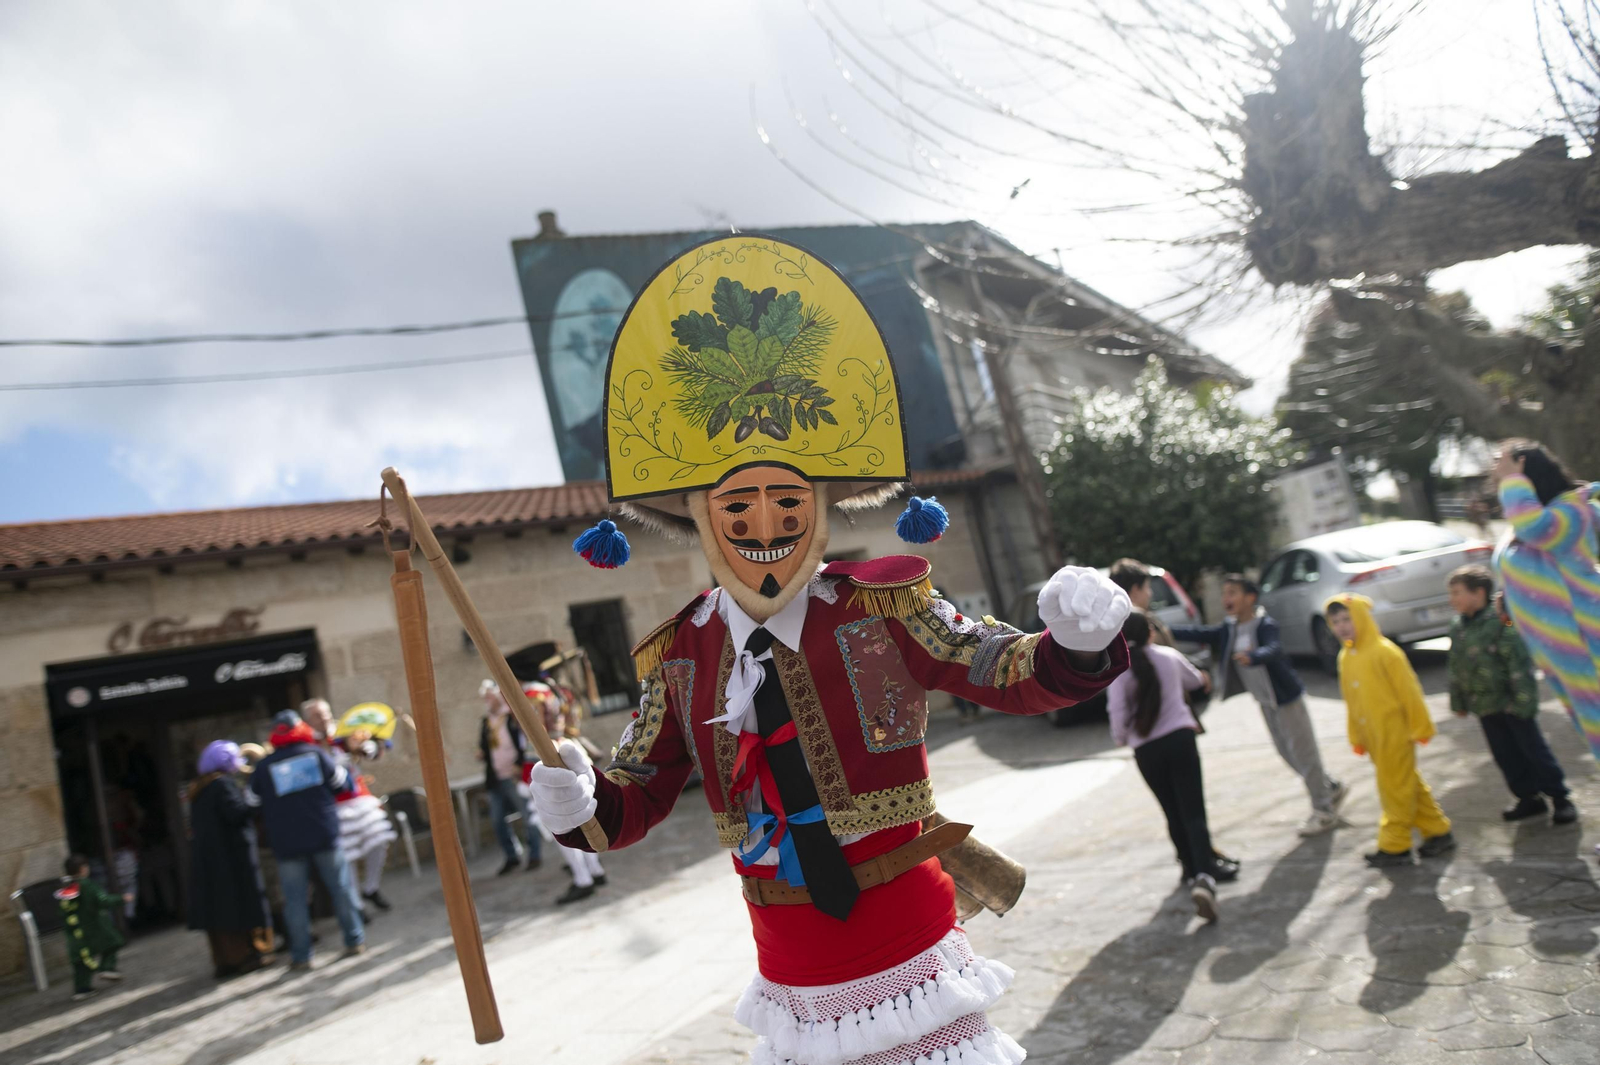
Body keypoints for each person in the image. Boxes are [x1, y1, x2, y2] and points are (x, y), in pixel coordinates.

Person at [527, 234, 1130, 1064]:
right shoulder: (681, 654)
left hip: (912, 945)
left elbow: (996, 667)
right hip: (792, 970)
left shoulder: (883, 604)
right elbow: (636, 794)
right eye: (737, 508)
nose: (765, 526)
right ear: (701, 517)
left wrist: (1075, 646)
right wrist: (581, 801)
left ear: (820, 503)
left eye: (787, 501)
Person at [1171, 574, 1348, 835]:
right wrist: (1164, 628)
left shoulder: (1265, 624)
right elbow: (1201, 633)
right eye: (1224, 593)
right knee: (1287, 753)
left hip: (1287, 699)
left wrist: (1254, 656)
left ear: (1250, 597)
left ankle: (1324, 811)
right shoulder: (1230, 628)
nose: (1226, 598)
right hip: (1266, 703)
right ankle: (1329, 787)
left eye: (1232, 592)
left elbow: (1273, 648)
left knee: (1305, 754)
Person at [1105, 610, 1229, 921]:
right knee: (1193, 811)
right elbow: (1196, 680)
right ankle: (1204, 876)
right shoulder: (1169, 657)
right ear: (1150, 632)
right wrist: (1204, 677)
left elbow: (1117, 714)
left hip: (1147, 750)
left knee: (1171, 810)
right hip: (1180, 739)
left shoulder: (1120, 672)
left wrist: (1123, 738)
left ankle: (1188, 868)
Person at [1491, 440, 1600, 765]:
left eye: (1501, 461)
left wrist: (1513, 480)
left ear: (1523, 464)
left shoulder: (1573, 512)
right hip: (1559, 648)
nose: (1496, 468)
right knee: (1590, 722)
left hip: (1585, 638)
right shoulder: (1535, 513)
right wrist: (1510, 596)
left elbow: (1536, 530)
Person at [1325, 595, 1454, 867]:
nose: (1341, 626)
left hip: (1396, 734)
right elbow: (1352, 701)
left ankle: (1395, 845)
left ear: (1361, 618)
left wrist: (1421, 726)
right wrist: (1357, 736)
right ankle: (1437, 831)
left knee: (1394, 789)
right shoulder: (1346, 657)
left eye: (1347, 619)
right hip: (1374, 737)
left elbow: (1410, 692)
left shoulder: (1385, 652)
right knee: (1408, 783)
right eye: (1335, 622)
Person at [1447, 565, 1578, 825]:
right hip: (1485, 705)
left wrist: (1523, 703)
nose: (1452, 599)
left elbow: (1518, 662)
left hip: (1513, 704)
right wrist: (1458, 701)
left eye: (1457, 592)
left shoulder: (1501, 619)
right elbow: (1455, 665)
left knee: (1534, 751)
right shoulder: (1458, 626)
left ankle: (1560, 798)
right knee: (1505, 754)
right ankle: (1528, 798)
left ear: (1479, 592)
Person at [249, 710, 365, 971]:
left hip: (287, 843)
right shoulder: (317, 754)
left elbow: (251, 801)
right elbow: (343, 785)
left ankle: (302, 957)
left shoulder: (264, 766)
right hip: (324, 835)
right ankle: (354, 941)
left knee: (295, 901)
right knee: (341, 889)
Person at [186, 740, 274, 978]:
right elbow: (237, 814)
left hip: (212, 860)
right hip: (231, 859)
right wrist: (255, 800)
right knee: (237, 906)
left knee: (220, 911)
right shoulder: (222, 784)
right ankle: (246, 955)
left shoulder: (200, 787)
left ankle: (225, 960)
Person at [302, 698, 398, 913]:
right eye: (317, 715)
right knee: (348, 855)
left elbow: (375, 750)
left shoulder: (344, 732)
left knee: (379, 840)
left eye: (325, 713)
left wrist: (370, 747)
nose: (323, 718)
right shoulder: (307, 743)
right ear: (308, 720)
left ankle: (371, 888)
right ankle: (357, 905)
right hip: (332, 805)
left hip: (358, 796)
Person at [525, 682, 606, 904]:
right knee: (580, 816)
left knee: (560, 822)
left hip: (548, 754)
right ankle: (594, 870)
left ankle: (583, 878)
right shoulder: (557, 690)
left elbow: (535, 733)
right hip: (567, 745)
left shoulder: (533, 694)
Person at [478, 680, 543, 875]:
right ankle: (512, 856)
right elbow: (484, 746)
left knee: (528, 815)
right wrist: (481, 752)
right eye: (485, 698)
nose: (488, 701)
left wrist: (519, 764)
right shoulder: (486, 722)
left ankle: (534, 854)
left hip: (514, 776)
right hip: (495, 777)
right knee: (497, 820)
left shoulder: (511, 717)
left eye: (490, 696)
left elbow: (524, 743)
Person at [55, 854, 129, 1000]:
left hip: (76, 931)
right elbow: (102, 900)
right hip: (94, 927)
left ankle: (81, 988)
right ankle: (107, 967)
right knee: (113, 942)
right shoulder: (87, 885)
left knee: (81, 960)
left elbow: (62, 910)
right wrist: (121, 899)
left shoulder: (67, 888)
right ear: (83, 869)